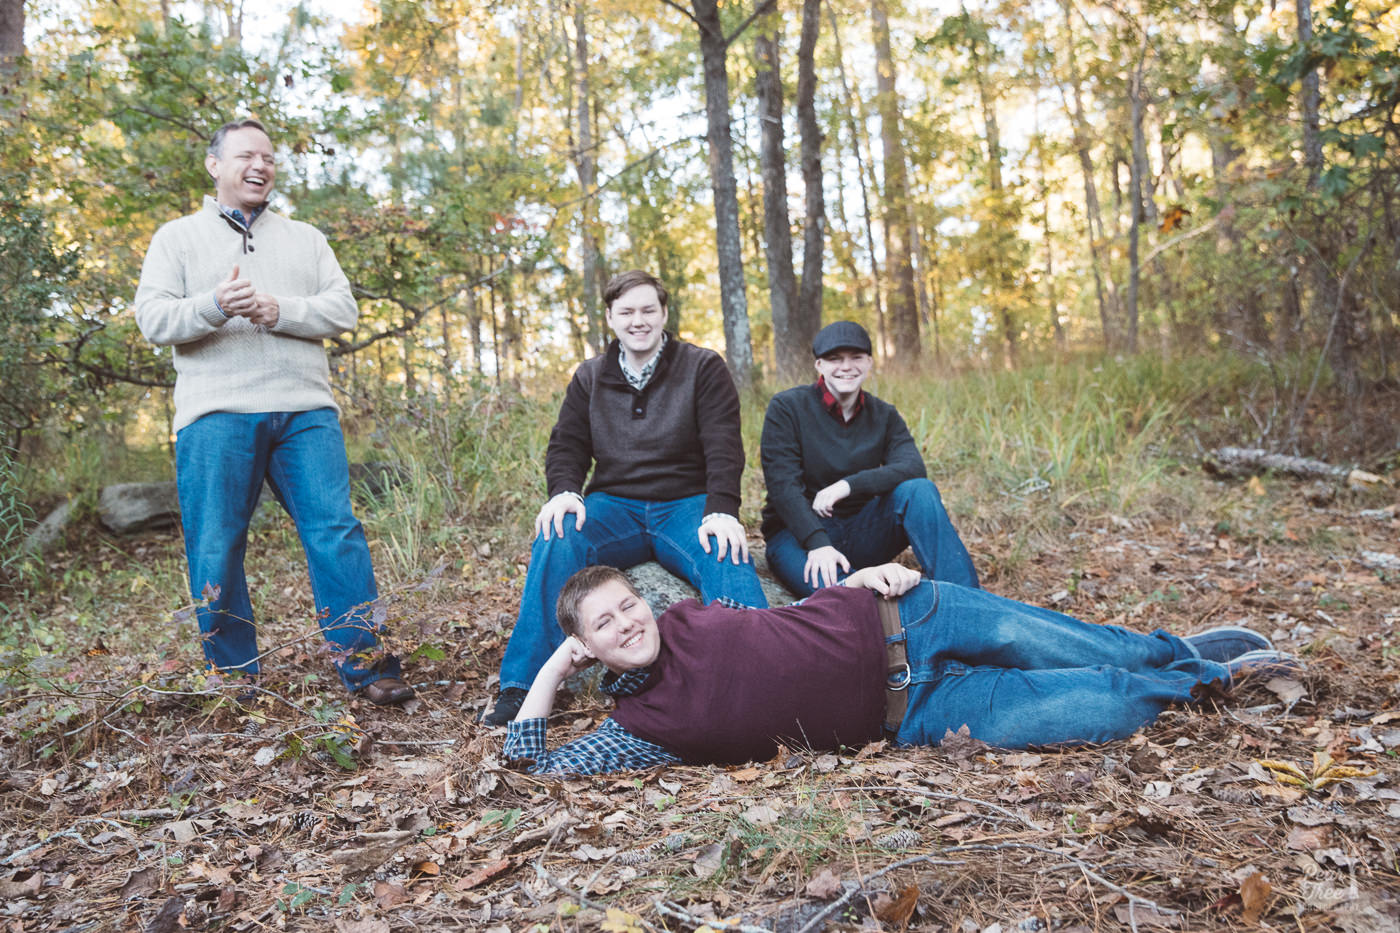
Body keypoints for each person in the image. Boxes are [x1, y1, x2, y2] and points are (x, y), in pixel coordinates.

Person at [502, 562, 1299, 775]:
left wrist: (856, 579)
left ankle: (1187, 651)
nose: (626, 621)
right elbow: (529, 767)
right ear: (589, 649)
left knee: (1088, 644)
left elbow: (779, 626)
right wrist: (547, 676)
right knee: (1098, 707)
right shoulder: (640, 730)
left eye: (626, 605)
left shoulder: (686, 615)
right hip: (914, 715)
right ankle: (1211, 681)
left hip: (906, 613)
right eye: (602, 623)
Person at [133, 118, 412, 706]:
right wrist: (212, 305)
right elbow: (153, 320)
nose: (259, 166)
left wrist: (276, 309)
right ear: (215, 165)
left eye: (268, 158)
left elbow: (342, 309)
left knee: (336, 534)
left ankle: (367, 666)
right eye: (245, 156)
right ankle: (235, 679)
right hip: (216, 414)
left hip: (305, 411)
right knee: (215, 545)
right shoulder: (176, 237)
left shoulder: (306, 238)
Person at [481, 270, 769, 725]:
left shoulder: (702, 367)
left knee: (724, 546)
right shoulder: (591, 376)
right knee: (557, 535)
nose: (639, 321)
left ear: (664, 314)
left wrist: (721, 510)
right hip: (615, 505)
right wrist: (564, 492)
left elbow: (723, 446)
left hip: (685, 504)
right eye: (627, 312)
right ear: (611, 318)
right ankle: (522, 687)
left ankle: (766, 673)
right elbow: (567, 445)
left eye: (648, 310)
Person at [760, 321, 978, 597]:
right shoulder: (787, 407)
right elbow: (783, 487)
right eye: (835, 359)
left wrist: (848, 485)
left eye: (856, 358)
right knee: (847, 601)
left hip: (862, 531)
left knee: (919, 491)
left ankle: (966, 600)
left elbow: (913, 467)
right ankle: (886, 606)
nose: (846, 367)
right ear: (819, 365)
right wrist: (818, 544)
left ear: (869, 363)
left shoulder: (884, 414)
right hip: (798, 536)